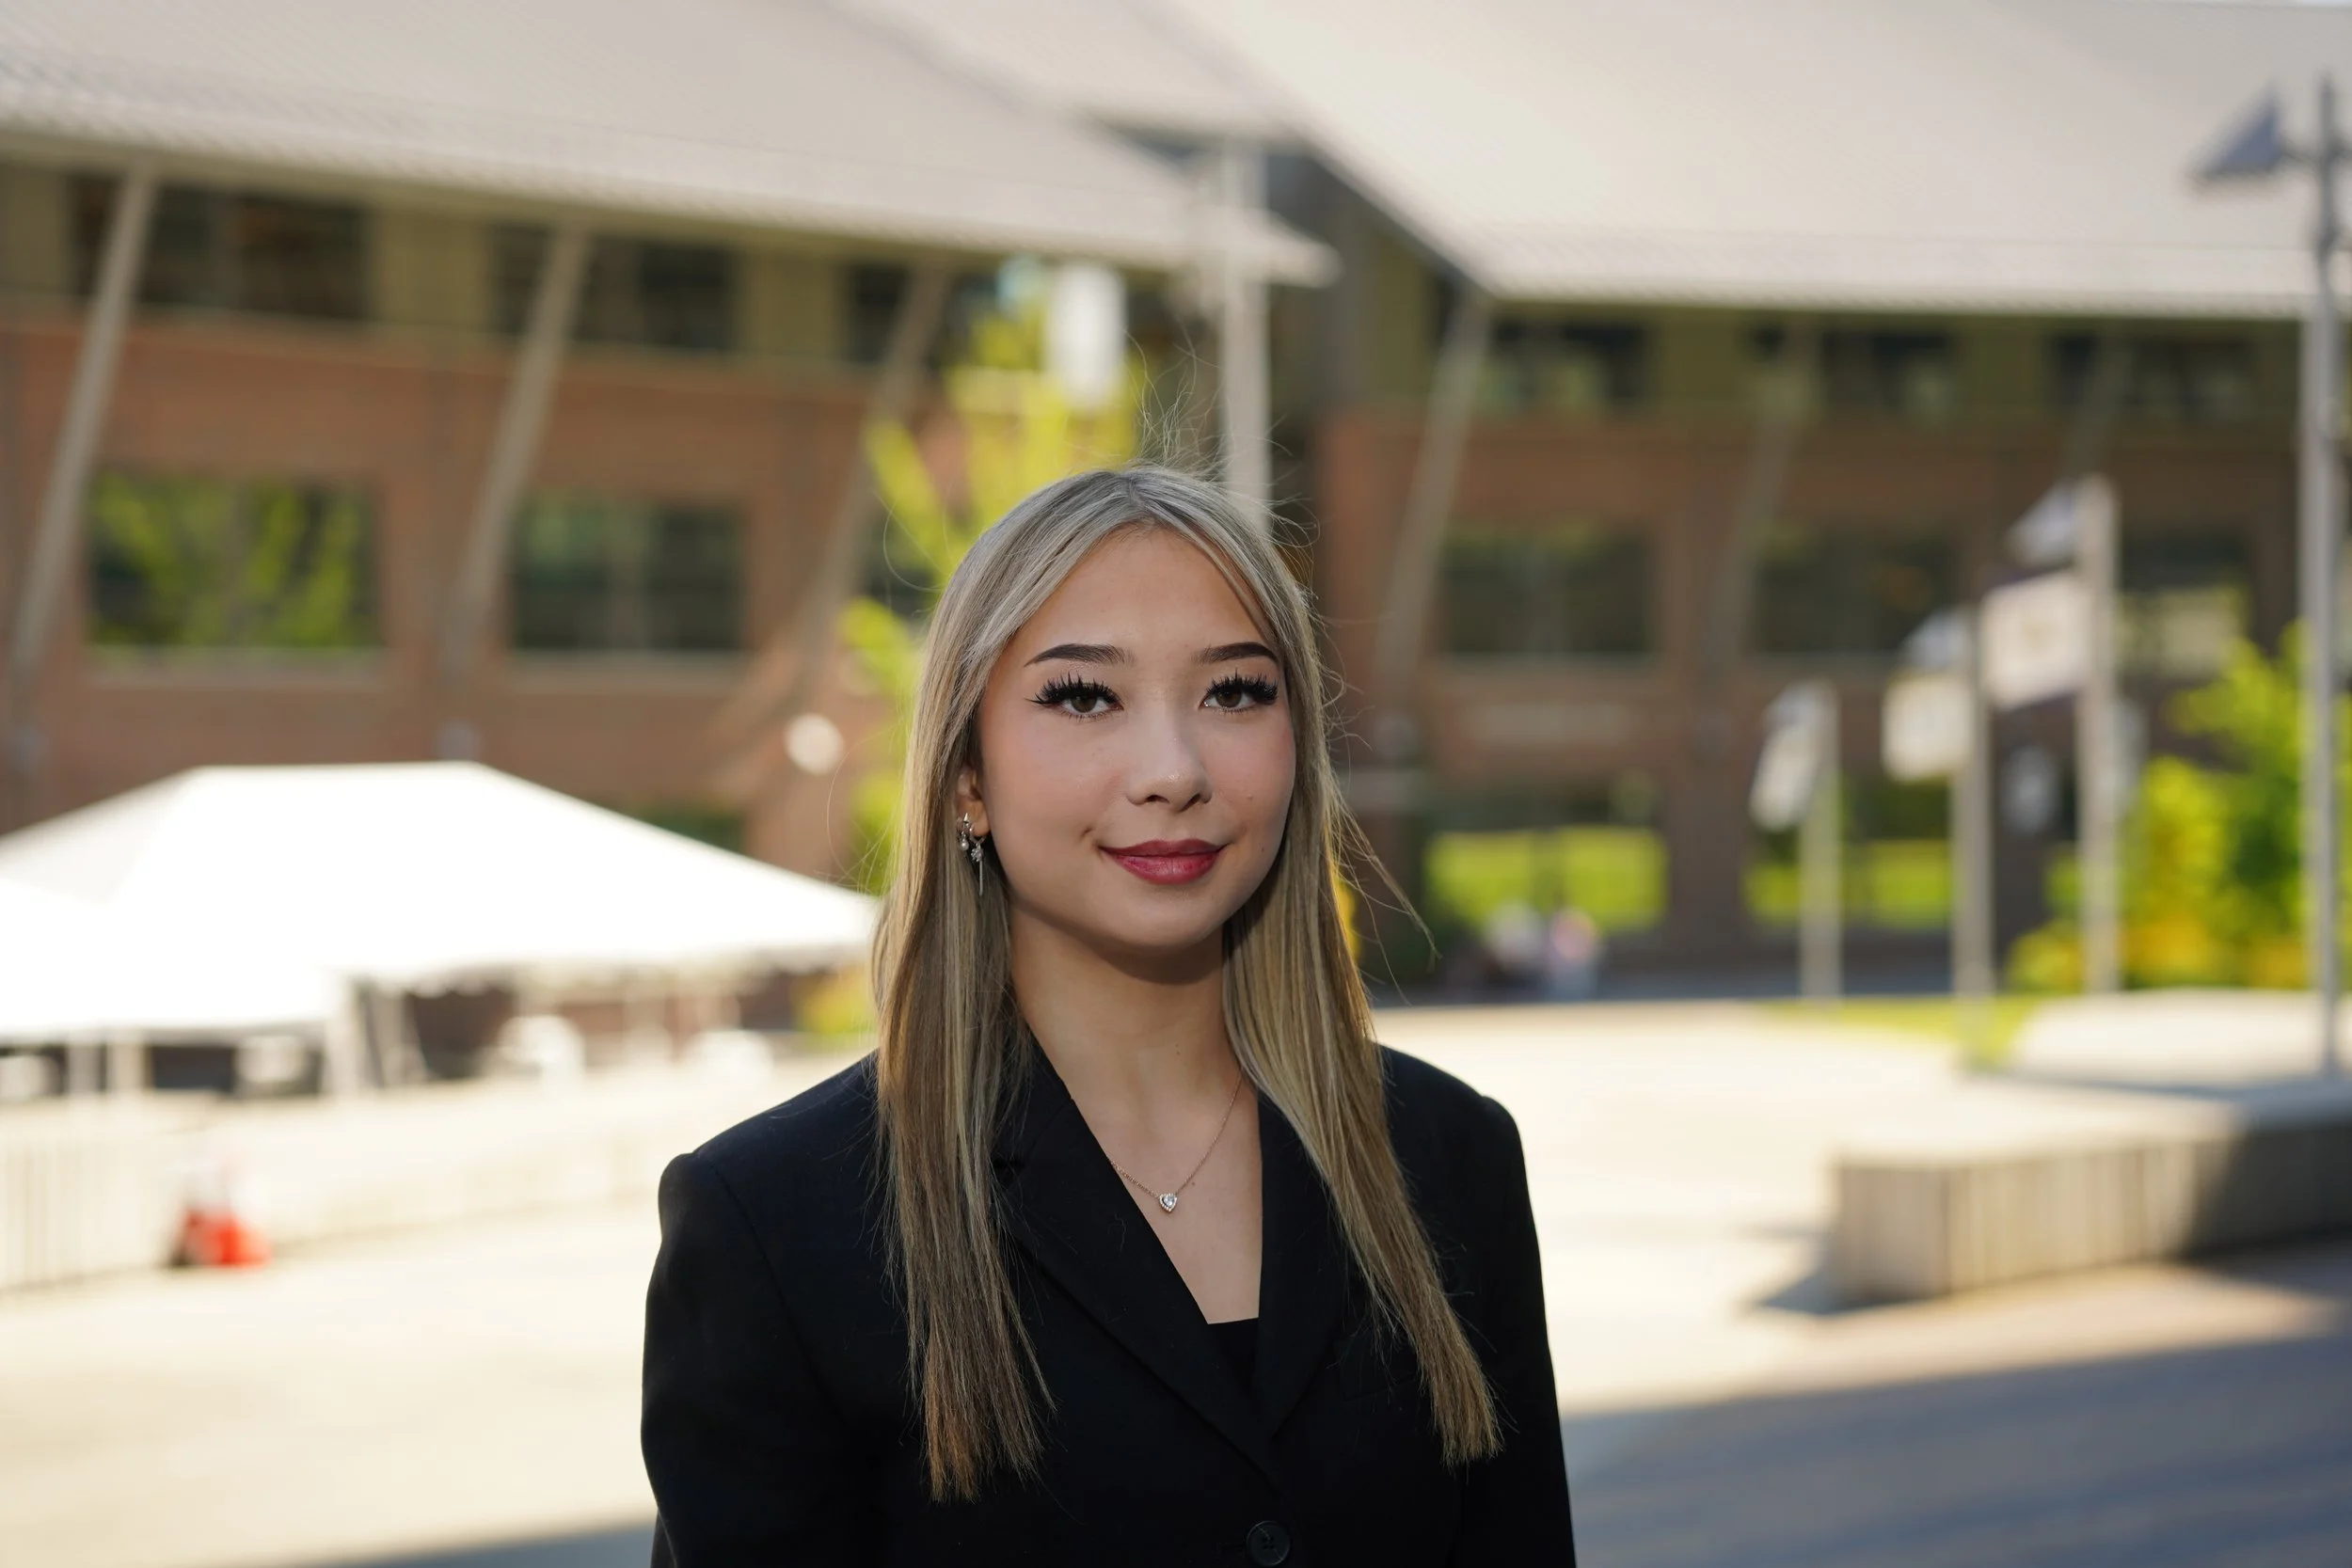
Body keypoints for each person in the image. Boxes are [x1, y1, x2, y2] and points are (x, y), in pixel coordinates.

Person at [641, 467, 1576, 1566]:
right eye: (1084, 695)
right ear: (964, 778)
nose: (1172, 770)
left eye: (1234, 692)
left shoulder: (1450, 1155)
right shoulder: (773, 1221)